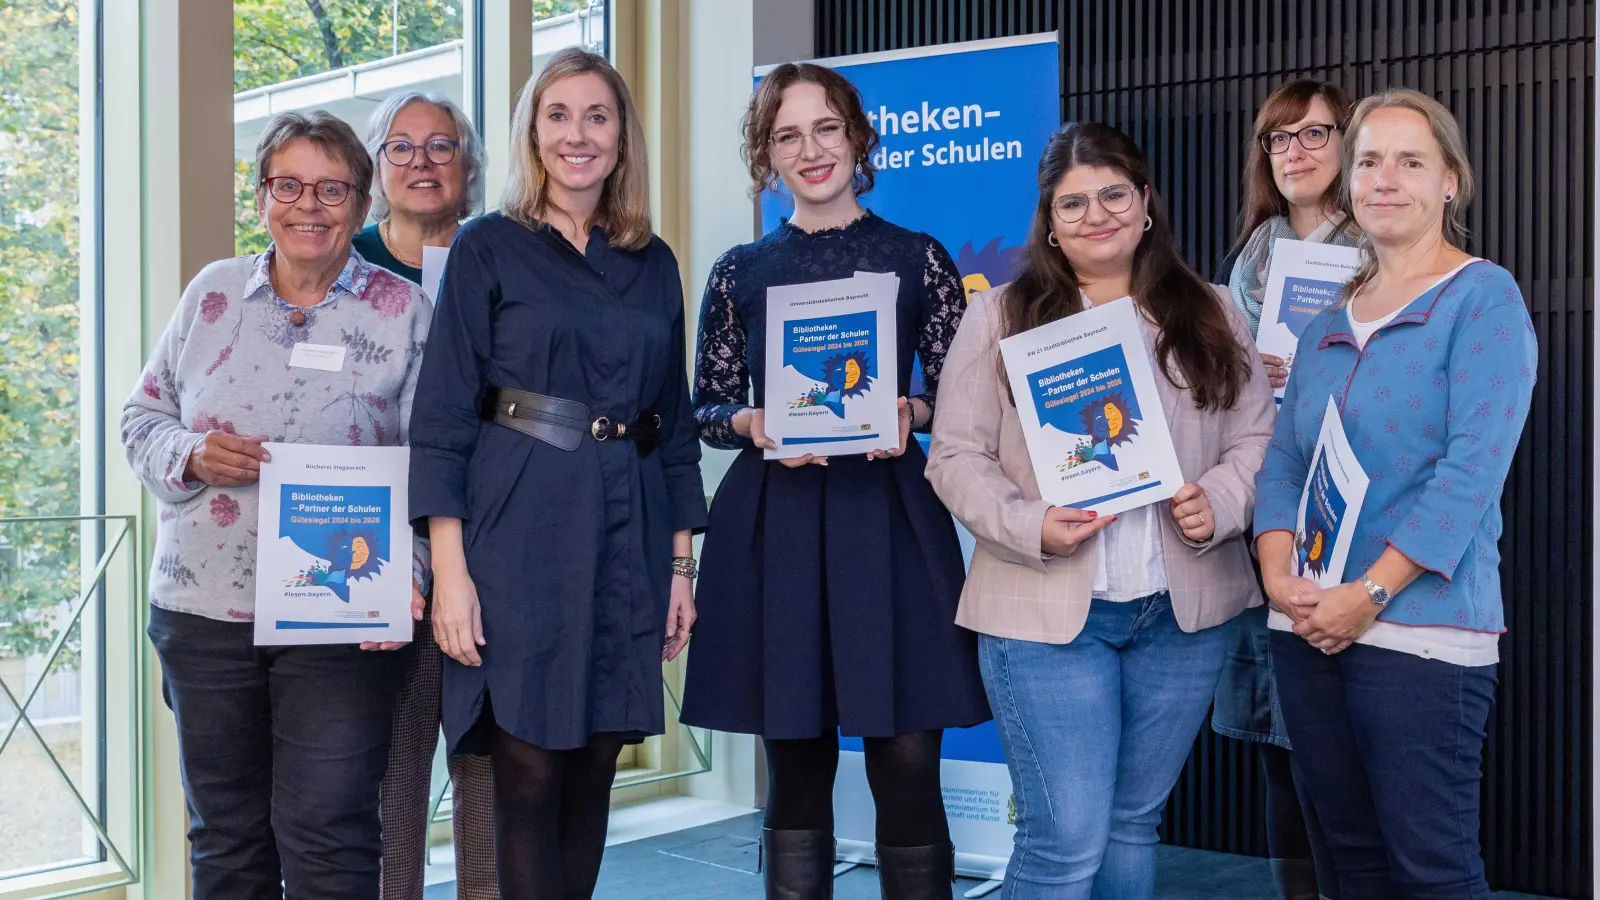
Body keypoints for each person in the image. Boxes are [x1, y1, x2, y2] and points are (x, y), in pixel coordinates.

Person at [925, 121, 1275, 900]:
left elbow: (1259, 436)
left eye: (1114, 194)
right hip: (1047, 616)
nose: (1097, 215)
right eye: (1073, 202)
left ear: (1145, 201)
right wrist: (1029, 523)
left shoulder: (1214, 311)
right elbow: (954, 456)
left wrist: (1219, 501)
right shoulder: (1001, 317)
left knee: (1130, 825)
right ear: (1049, 220)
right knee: (1064, 844)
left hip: (1182, 616)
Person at [680, 61, 990, 899]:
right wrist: (750, 423)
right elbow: (704, 408)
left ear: (859, 138)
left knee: (907, 761)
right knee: (797, 765)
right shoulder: (738, 269)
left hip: (889, 519)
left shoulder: (915, 258)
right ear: (766, 156)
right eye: (788, 135)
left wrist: (911, 413)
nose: (810, 149)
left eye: (826, 129)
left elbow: (965, 398)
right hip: (777, 524)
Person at [407, 48, 705, 900]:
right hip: (518, 530)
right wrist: (452, 575)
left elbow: (675, 424)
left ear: (622, 137)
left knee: (596, 766)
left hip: (631, 533)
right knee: (530, 770)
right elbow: (442, 419)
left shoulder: (654, 261)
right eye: (559, 115)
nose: (579, 135)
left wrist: (681, 568)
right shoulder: (487, 247)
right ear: (532, 133)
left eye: (598, 116)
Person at [121, 111, 432, 899]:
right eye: (287, 185)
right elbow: (141, 418)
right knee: (225, 837)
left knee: (330, 833)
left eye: (332, 189)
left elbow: (438, 467)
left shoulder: (404, 315)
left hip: (340, 611)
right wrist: (187, 453)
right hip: (204, 609)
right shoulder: (212, 294)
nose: (309, 206)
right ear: (261, 198)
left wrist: (410, 573)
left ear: (362, 205)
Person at [1253, 89, 1536, 900]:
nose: (1385, 179)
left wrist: (1368, 594)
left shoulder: (1484, 300)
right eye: (1370, 160)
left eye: (1411, 161)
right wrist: (1281, 583)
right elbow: (1282, 464)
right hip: (1305, 627)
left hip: (1421, 633)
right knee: (1347, 862)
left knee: (1432, 869)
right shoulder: (1325, 323)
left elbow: (1468, 477)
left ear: (1451, 181)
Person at [1210, 78, 1357, 900]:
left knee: (1339, 751)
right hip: (1264, 513)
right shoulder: (1254, 255)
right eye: (1279, 138)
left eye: (1314, 134)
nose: (1295, 152)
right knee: (1277, 745)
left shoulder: (1380, 247)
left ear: (1346, 143)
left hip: (1347, 513)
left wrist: (1315, 371)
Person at [354, 91, 499, 900]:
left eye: (441, 145)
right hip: (374, 548)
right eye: (401, 147)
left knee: (488, 771)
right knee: (390, 782)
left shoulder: (502, 256)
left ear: (468, 165)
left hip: (492, 541)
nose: (422, 162)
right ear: (376, 167)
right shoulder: (345, 260)